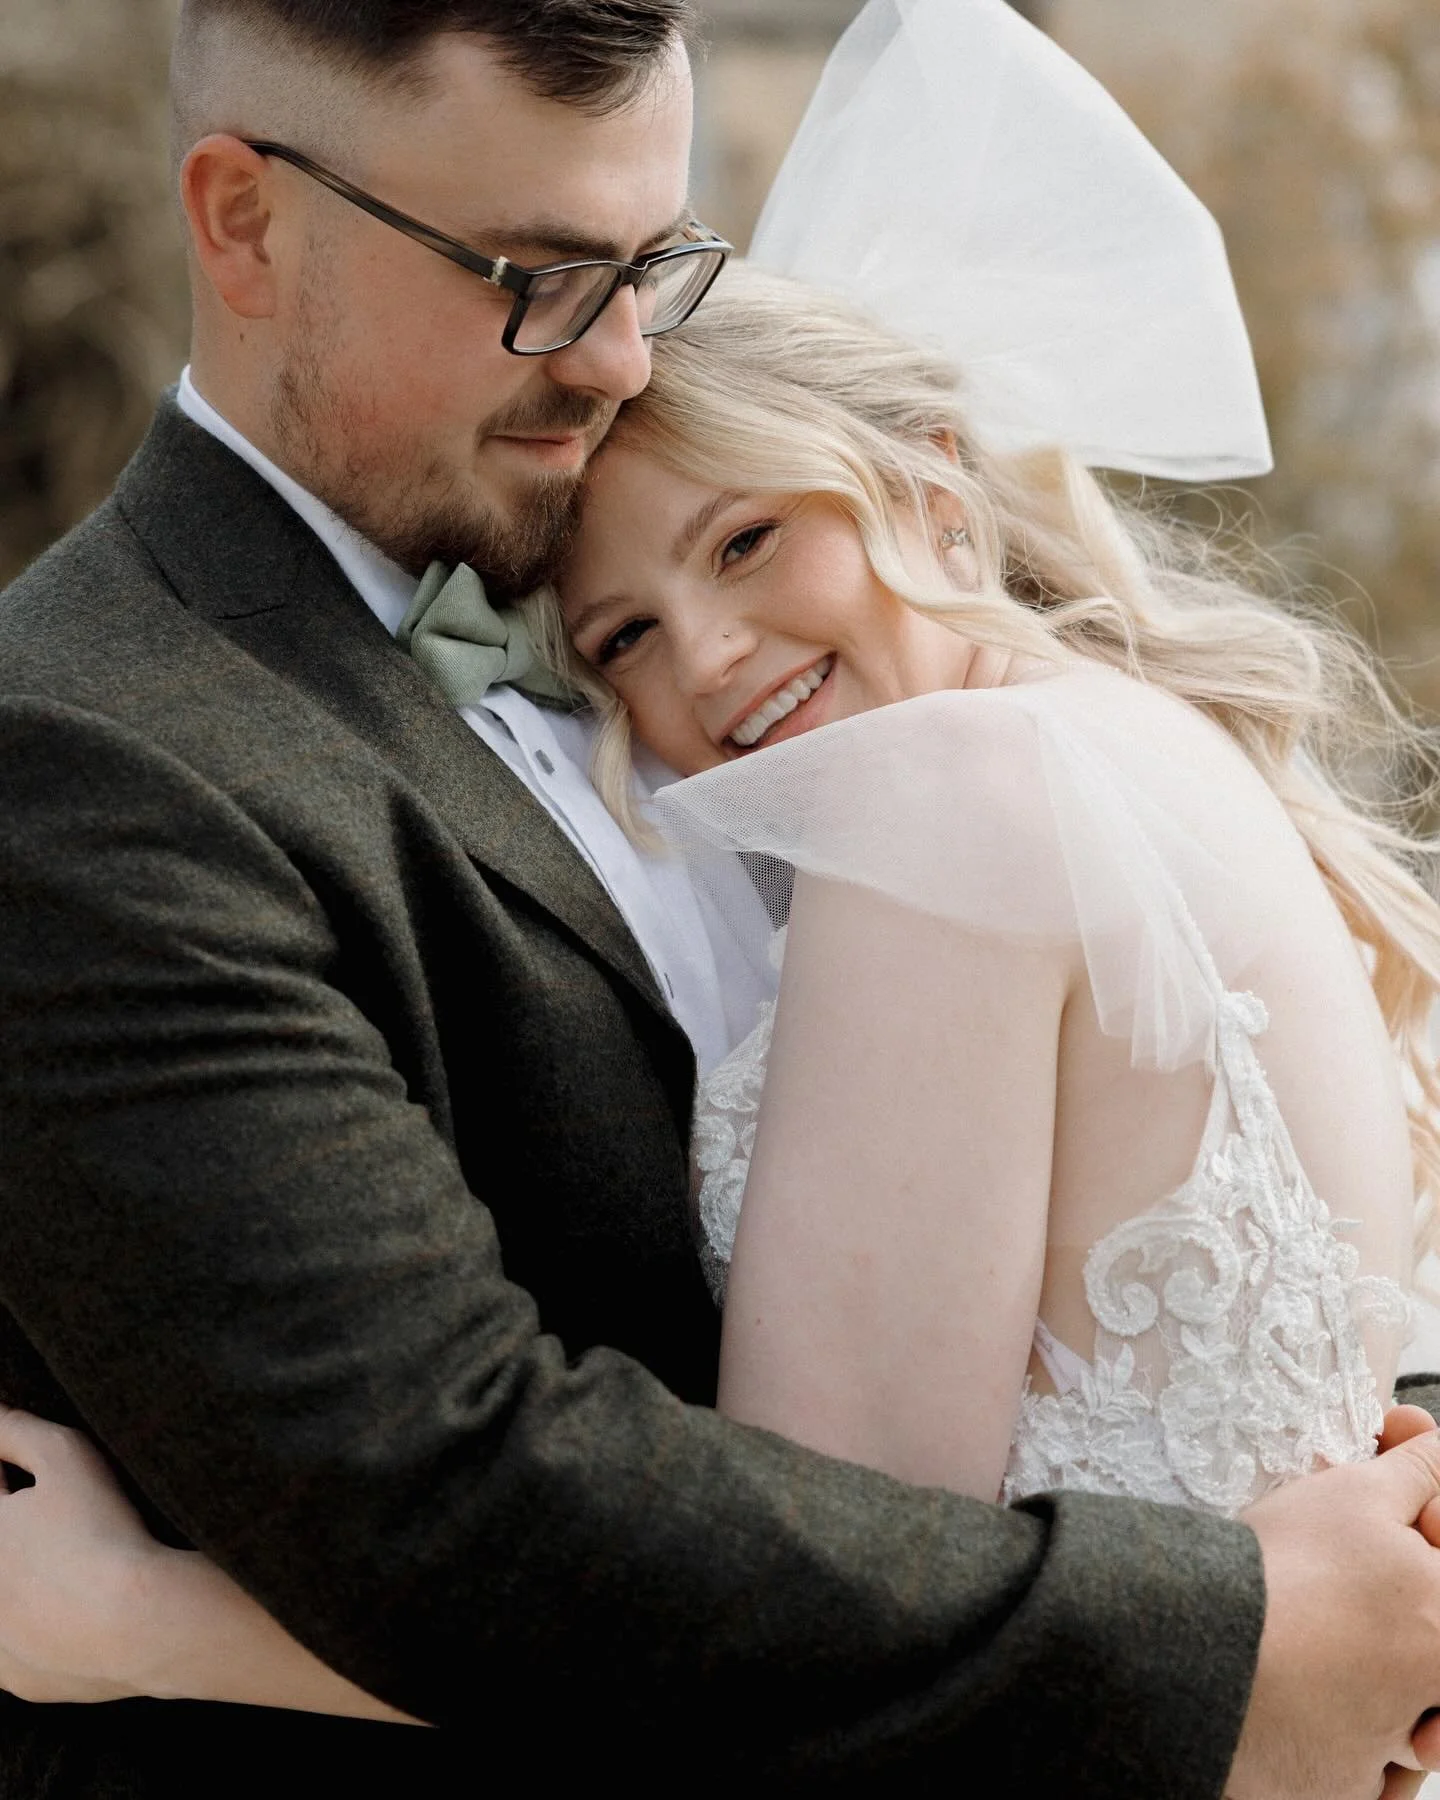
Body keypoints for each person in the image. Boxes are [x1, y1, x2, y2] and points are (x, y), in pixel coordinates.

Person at [3, 3, 1440, 1798]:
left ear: (924, 486)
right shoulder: (89, 755)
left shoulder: (930, 779)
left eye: (651, 264)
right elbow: (451, 1490)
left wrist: (144, 1613)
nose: (611, 359)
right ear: (243, 222)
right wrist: (1240, 1634)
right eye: (532, 272)